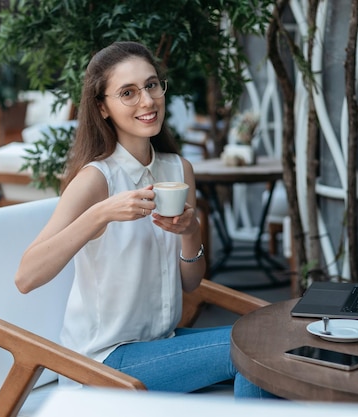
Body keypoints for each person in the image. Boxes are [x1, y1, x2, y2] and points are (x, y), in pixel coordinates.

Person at [15, 41, 274, 398]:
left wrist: (190, 231)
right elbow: (27, 276)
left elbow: (191, 283)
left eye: (152, 85)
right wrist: (101, 214)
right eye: (128, 93)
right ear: (103, 107)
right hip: (101, 362)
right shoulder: (95, 179)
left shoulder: (178, 169)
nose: (147, 101)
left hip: (160, 345)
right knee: (251, 354)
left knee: (266, 347)